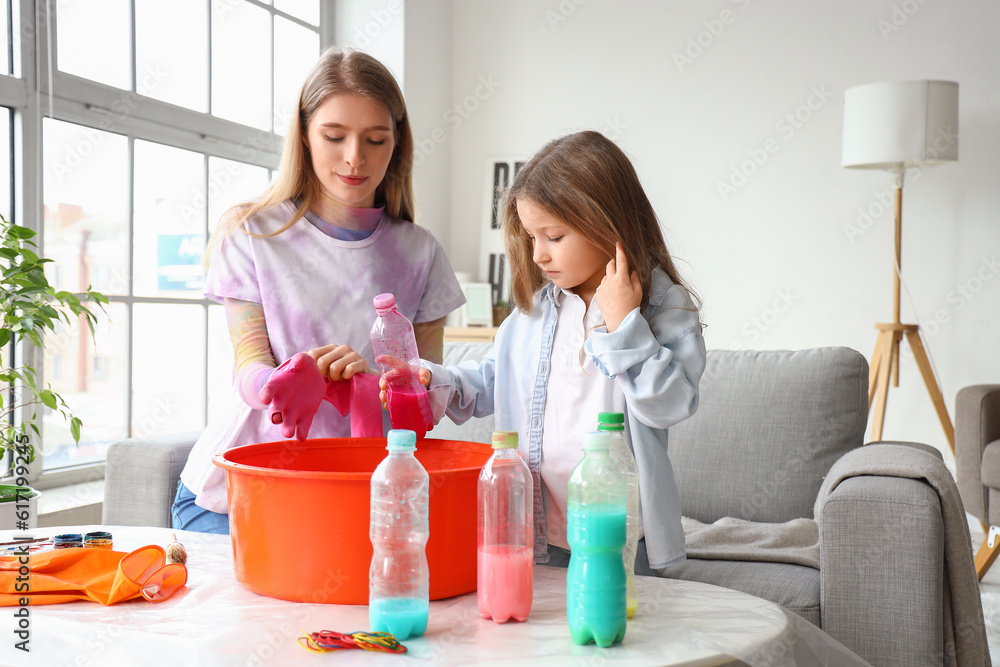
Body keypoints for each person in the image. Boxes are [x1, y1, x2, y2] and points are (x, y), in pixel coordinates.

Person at [173, 47, 465, 534]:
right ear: (305, 136)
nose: (355, 157)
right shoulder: (252, 232)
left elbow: (426, 395)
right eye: (334, 136)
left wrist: (369, 390)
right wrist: (283, 382)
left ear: (397, 143)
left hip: (361, 489)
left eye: (375, 139)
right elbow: (249, 362)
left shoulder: (421, 254)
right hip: (241, 488)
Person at [408, 131, 706, 571]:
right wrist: (436, 379)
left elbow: (669, 404)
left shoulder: (663, 307)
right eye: (532, 237)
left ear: (607, 223)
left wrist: (625, 322)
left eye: (553, 235)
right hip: (540, 531)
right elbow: (494, 379)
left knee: (614, 635)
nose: (539, 254)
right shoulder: (533, 313)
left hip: (622, 535)